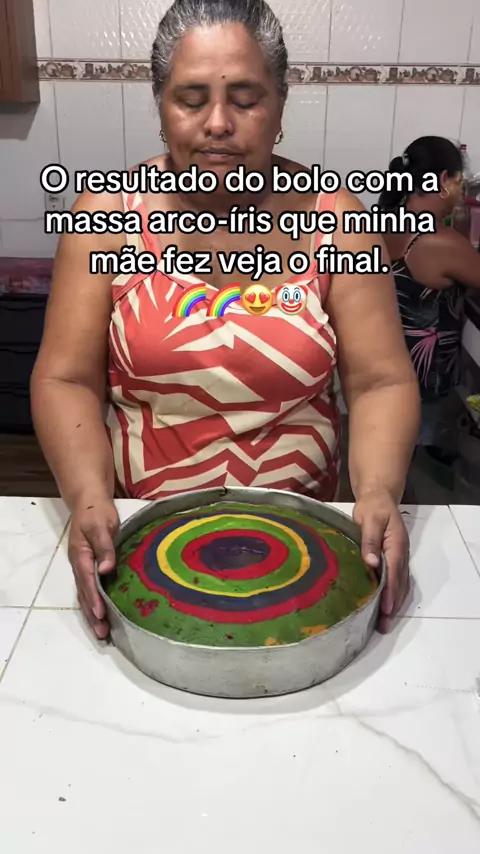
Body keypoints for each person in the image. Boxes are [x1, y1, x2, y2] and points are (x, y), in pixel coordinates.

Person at [30, 0, 419, 640]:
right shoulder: (102, 218)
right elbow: (65, 379)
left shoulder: (340, 221)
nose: (218, 123)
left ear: (280, 107)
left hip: (307, 552)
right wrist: (86, 496)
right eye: (191, 99)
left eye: (245, 99)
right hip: (138, 546)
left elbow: (382, 381)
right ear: (161, 106)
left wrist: (377, 491)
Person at [380, 136, 480, 453]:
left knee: (392, 448)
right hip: (424, 378)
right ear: (442, 180)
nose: (461, 193)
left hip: (385, 363)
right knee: (415, 450)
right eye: (459, 182)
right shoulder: (441, 241)